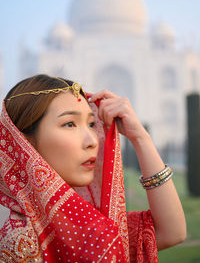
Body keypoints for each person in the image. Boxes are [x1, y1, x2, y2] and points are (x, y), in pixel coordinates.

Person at [0, 74, 186, 262]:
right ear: (22, 143)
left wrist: (139, 136)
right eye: (69, 124)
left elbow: (172, 232)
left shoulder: (89, 226)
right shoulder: (20, 245)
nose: (93, 140)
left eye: (91, 124)